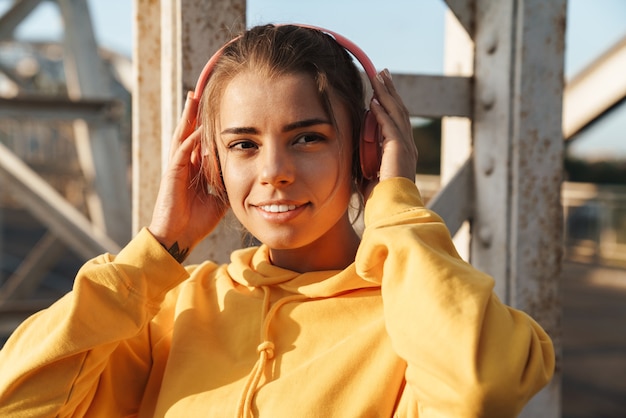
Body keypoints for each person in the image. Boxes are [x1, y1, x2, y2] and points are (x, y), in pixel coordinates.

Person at [0, 24, 554, 417]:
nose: (274, 172)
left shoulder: (415, 321)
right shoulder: (170, 310)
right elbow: (16, 400)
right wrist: (157, 249)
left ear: (365, 150)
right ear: (210, 163)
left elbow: (482, 390)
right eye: (242, 144)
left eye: (307, 138)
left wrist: (396, 203)